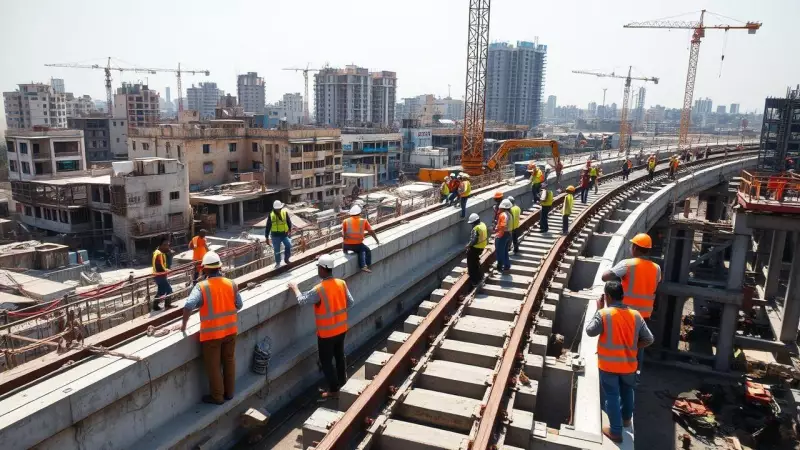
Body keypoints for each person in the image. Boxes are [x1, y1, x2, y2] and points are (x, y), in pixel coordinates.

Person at [585, 280, 653, 442]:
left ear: (607, 296)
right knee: (627, 391)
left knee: (612, 396)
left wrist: (599, 310)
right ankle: (626, 419)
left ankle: (616, 431)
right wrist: (634, 347)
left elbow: (590, 331)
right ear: (622, 296)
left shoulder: (604, 314)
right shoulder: (635, 315)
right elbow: (649, 339)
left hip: (609, 365)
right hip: (629, 365)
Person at [288, 254, 354, 402]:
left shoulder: (319, 289)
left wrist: (295, 288)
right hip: (341, 329)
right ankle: (342, 382)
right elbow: (350, 303)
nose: (318, 270)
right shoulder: (341, 283)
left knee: (326, 362)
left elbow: (302, 300)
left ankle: (334, 390)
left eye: (319, 267)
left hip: (327, 334)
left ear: (324, 269)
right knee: (339, 356)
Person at [180, 251, 243, 405]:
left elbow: (189, 305)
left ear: (205, 269)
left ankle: (217, 397)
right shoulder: (231, 283)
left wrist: (183, 325)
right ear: (220, 267)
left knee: (213, 366)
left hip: (212, 335)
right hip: (230, 331)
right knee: (229, 361)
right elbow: (239, 305)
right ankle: (230, 393)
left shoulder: (201, 287)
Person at [602, 233, 662, 375]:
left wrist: (618, 275)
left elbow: (605, 277)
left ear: (635, 248)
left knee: (618, 342)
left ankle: (614, 371)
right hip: (644, 315)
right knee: (637, 345)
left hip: (626, 313)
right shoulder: (656, 268)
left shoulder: (627, 264)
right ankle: (634, 374)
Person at [342, 205, 379, 273]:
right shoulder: (363, 221)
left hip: (346, 246)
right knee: (365, 250)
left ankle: (345, 250)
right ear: (360, 213)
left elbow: (343, 234)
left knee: (359, 249)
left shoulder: (345, 221)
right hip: (357, 245)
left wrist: (345, 245)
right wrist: (377, 240)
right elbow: (371, 231)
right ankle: (365, 266)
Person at [266, 200, 293, 268]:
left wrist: (289, 230)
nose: (278, 210)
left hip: (284, 234)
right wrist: (266, 237)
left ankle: (286, 259)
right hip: (275, 236)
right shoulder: (271, 215)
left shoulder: (284, 212)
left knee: (288, 245)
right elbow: (268, 226)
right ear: (274, 208)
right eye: (277, 209)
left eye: (279, 209)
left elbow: (288, 221)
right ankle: (278, 263)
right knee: (277, 250)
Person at [152, 237, 173, 311]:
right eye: (165, 245)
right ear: (161, 245)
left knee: (161, 291)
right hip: (159, 275)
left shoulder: (159, 252)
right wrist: (166, 270)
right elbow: (159, 267)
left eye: (168, 245)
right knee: (169, 290)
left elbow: (162, 265)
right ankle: (167, 305)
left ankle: (155, 306)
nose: (167, 246)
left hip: (158, 275)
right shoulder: (159, 254)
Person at [466, 213, 487, 286]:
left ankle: (475, 281)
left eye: (472, 223)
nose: (472, 225)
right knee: (476, 262)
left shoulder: (476, 228)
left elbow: (474, 239)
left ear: (474, 222)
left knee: (471, 264)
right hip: (482, 247)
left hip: (475, 248)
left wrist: (468, 245)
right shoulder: (483, 225)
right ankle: (481, 276)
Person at [494, 199, 513, 272]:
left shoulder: (503, 215)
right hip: (508, 234)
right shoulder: (509, 214)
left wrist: (499, 234)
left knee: (500, 251)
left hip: (503, 234)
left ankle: (499, 266)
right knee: (505, 251)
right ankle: (507, 265)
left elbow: (503, 226)